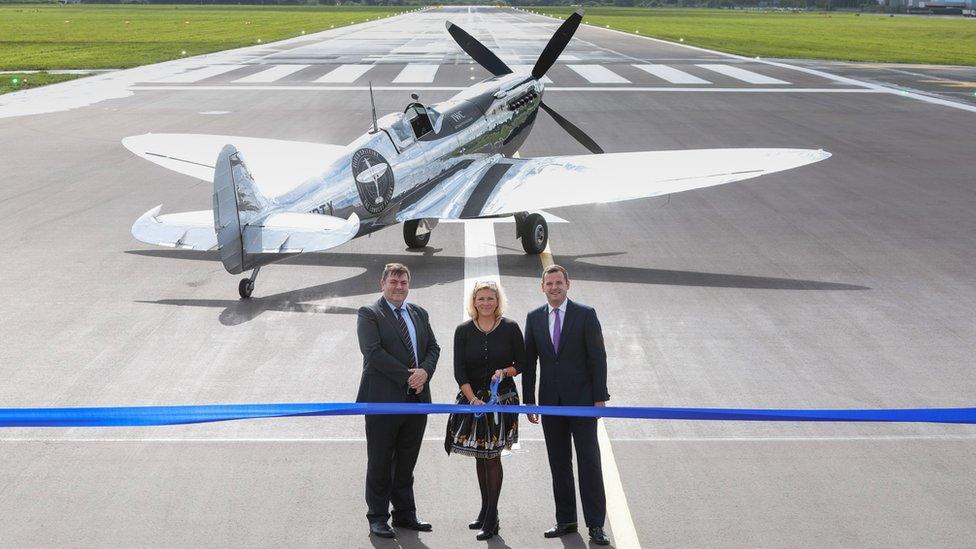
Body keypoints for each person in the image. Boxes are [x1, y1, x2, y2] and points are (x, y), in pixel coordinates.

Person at [522, 264, 611, 546]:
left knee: (589, 464)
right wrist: (529, 402)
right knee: (559, 463)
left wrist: (600, 397)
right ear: (543, 287)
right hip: (550, 404)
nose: (554, 288)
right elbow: (529, 362)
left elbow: (598, 357)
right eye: (549, 284)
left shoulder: (586, 315)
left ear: (568, 285)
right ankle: (566, 520)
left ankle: (596, 525)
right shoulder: (534, 318)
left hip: (583, 403)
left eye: (559, 283)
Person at [356, 262, 439, 539]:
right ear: (382, 284)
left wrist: (425, 371)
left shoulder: (418, 313)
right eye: (393, 282)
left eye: (403, 282)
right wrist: (408, 376)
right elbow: (373, 353)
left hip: (417, 401)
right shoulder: (370, 314)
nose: (398, 287)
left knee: (406, 461)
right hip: (383, 401)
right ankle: (377, 517)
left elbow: (433, 347)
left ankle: (404, 514)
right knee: (380, 461)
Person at [445, 280, 525, 541]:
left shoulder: (511, 328)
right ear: (474, 301)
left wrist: (505, 371)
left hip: (501, 401)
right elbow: (460, 371)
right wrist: (472, 400)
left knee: (492, 457)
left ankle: (492, 518)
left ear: (498, 301)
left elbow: (521, 363)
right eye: (481, 298)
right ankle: (485, 510)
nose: (486, 303)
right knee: (481, 456)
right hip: (473, 402)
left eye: (491, 298)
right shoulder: (463, 331)